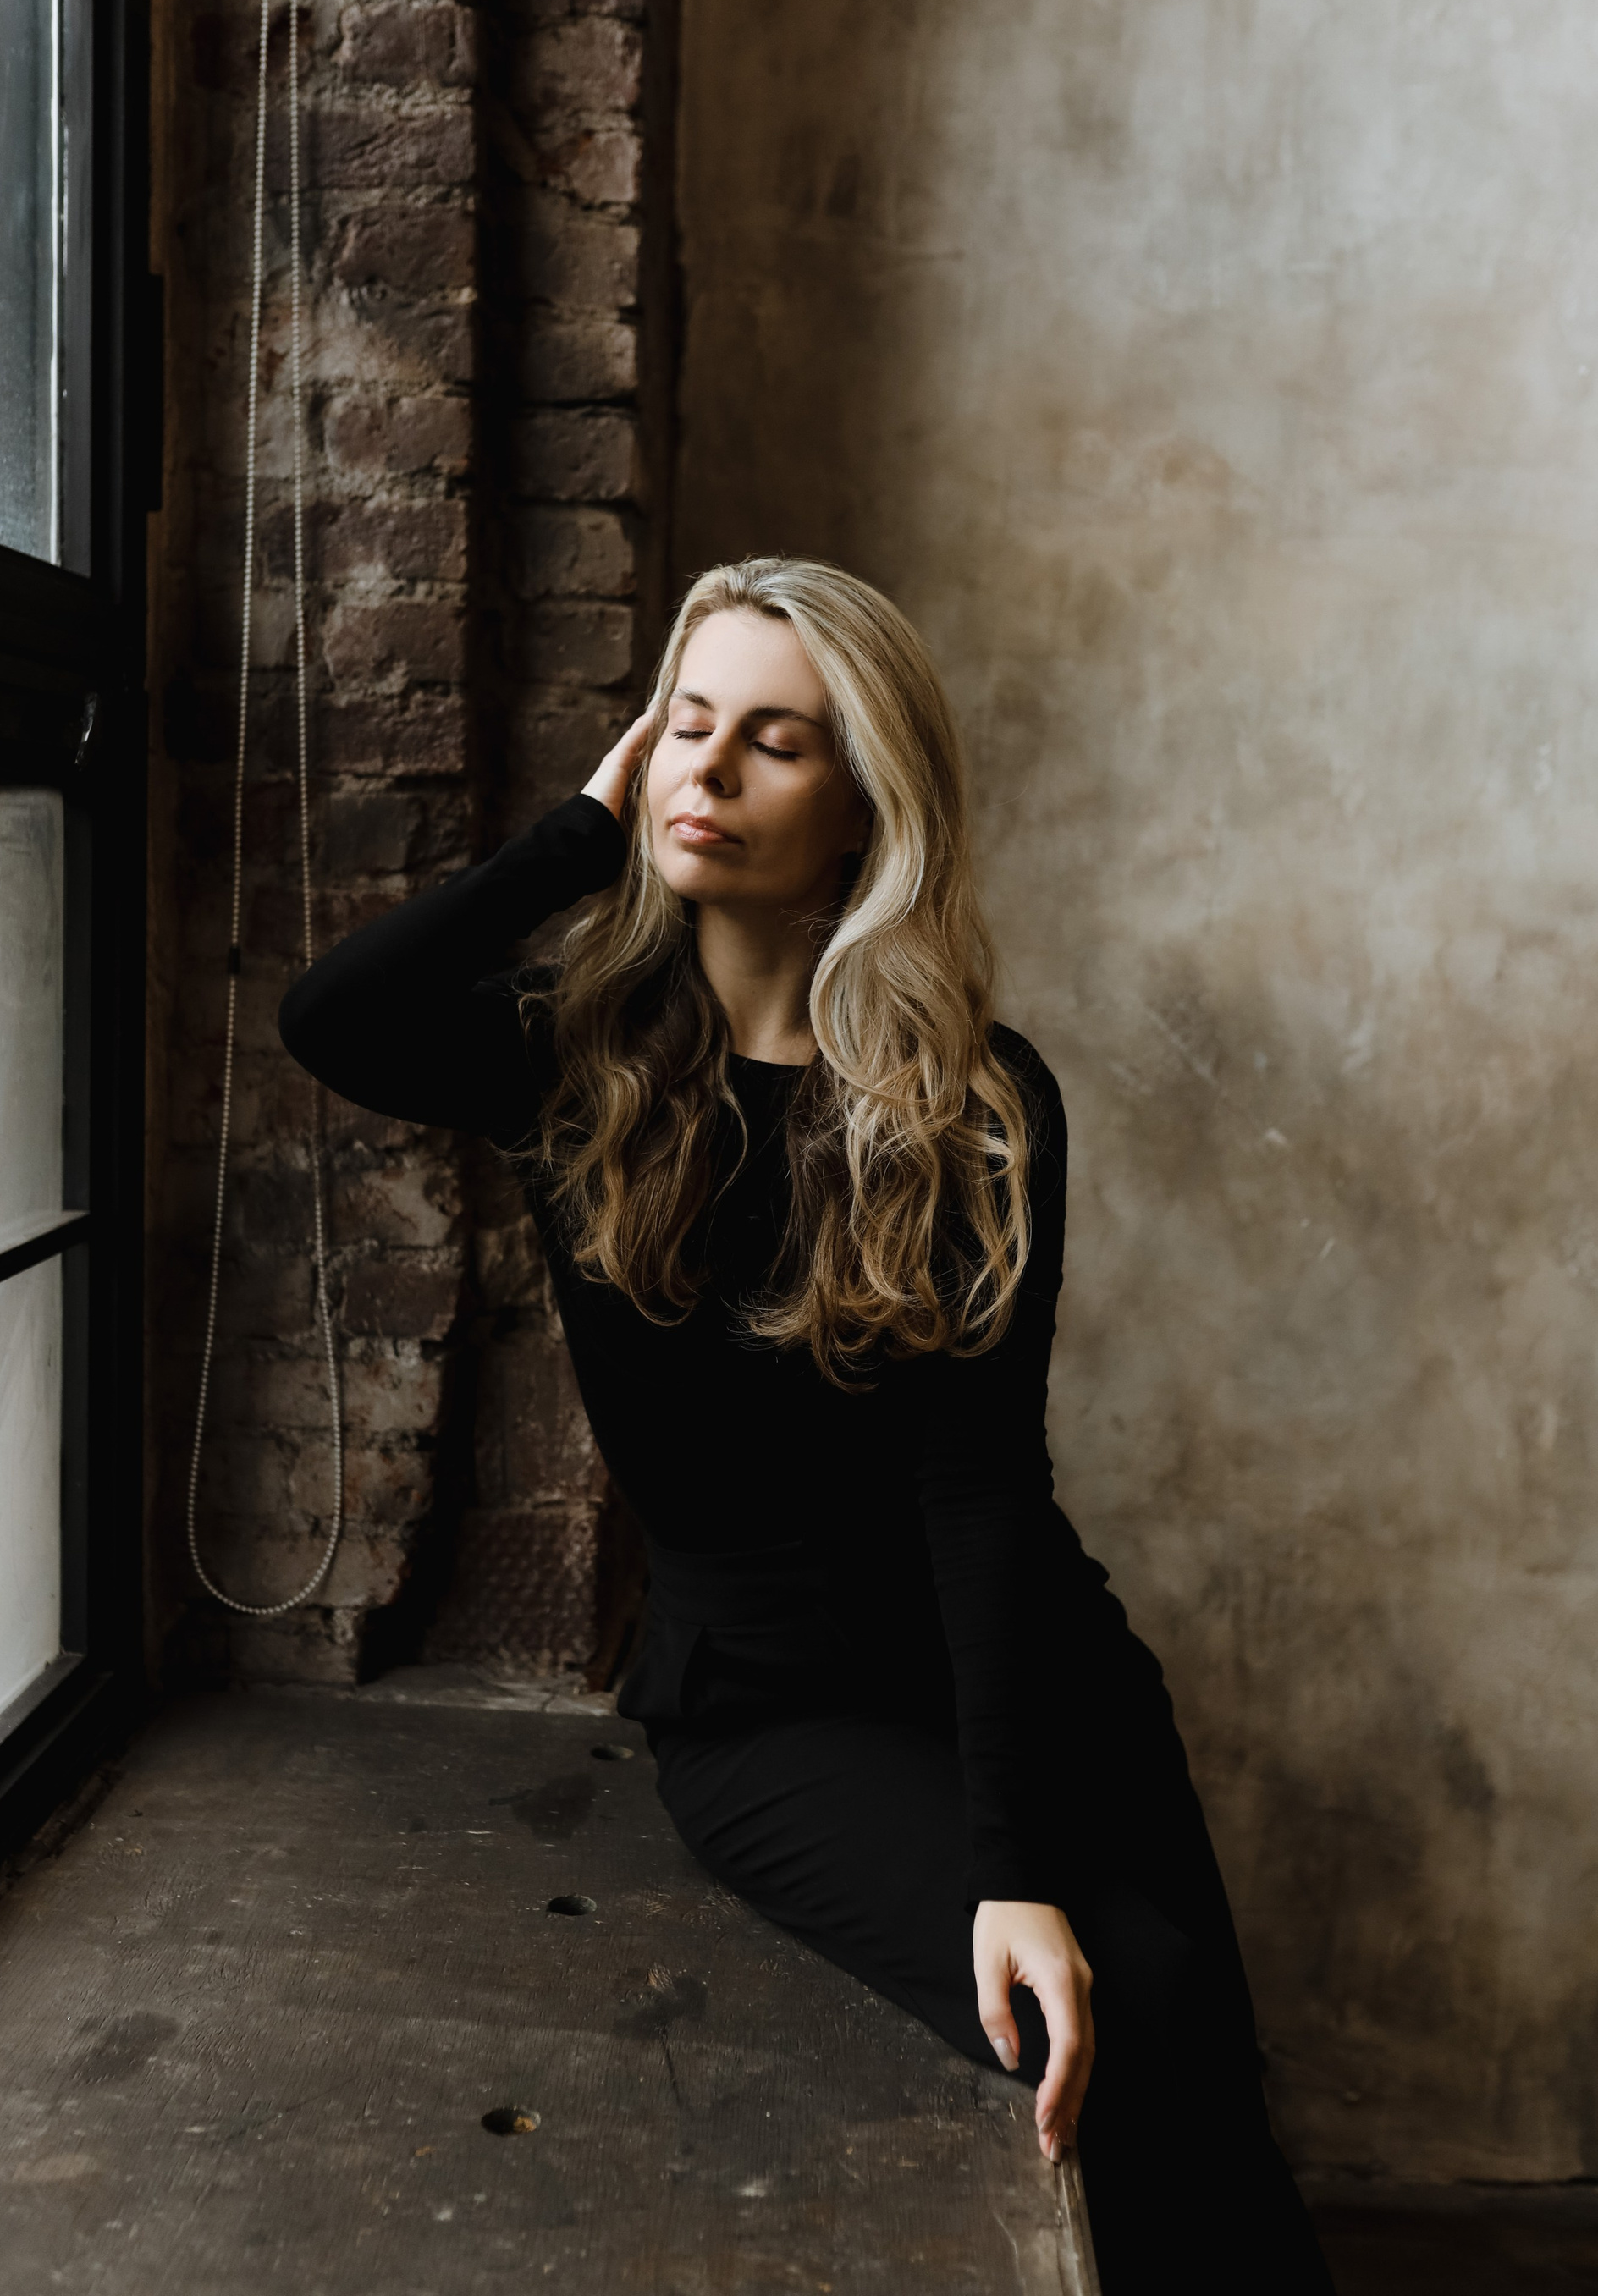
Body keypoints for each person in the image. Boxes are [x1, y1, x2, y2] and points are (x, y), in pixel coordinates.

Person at [279, 556, 1335, 2292]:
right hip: (769, 1710)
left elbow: (982, 1485)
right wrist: (578, 835)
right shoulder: (570, 1054)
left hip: (1031, 1671)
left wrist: (1010, 1862)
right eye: (685, 726)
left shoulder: (977, 1100)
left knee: (1210, 2078)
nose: (706, 770)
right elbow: (332, 1019)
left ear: (866, 806)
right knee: (1122, 2008)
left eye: (773, 742)